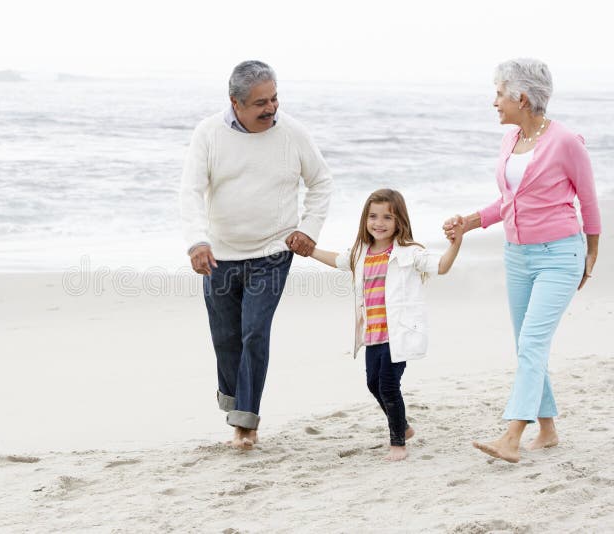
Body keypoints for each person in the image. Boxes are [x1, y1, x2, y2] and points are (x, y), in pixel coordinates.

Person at [443, 58, 602, 463]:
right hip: (517, 256)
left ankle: (512, 435)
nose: (494, 101)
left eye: (500, 94)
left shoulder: (566, 142)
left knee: (532, 342)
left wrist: (592, 252)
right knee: (526, 345)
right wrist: (470, 221)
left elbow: (587, 199)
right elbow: (510, 201)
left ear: (522, 98)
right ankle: (547, 430)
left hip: (559, 255)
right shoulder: (510, 140)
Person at [179, 60, 333, 449]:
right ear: (236, 103)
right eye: (260, 102)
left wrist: (307, 231)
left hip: (273, 250)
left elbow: (321, 182)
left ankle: (246, 422)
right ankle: (234, 401)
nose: (271, 108)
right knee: (226, 336)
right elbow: (191, 191)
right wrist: (197, 241)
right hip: (220, 254)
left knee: (254, 332)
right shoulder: (208, 134)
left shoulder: (293, 133)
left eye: (275, 98)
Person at [311, 189, 463, 460]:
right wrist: (309, 250)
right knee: (372, 383)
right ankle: (403, 427)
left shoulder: (408, 253)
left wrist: (456, 243)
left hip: (398, 333)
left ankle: (398, 443)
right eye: (373, 216)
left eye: (386, 217)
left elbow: (441, 266)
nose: (378, 223)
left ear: (399, 221)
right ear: (365, 220)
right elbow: (338, 260)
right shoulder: (361, 252)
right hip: (373, 333)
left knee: (389, 386)